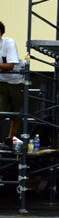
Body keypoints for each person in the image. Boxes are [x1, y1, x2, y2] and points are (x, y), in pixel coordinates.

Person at [0, 22, 24, 150]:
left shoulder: (9, 43)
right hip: (1, 82)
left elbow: (10, 66)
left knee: (16, 113)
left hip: (15, 81)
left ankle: (10, 139)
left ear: (1, 33)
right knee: (0, 111)